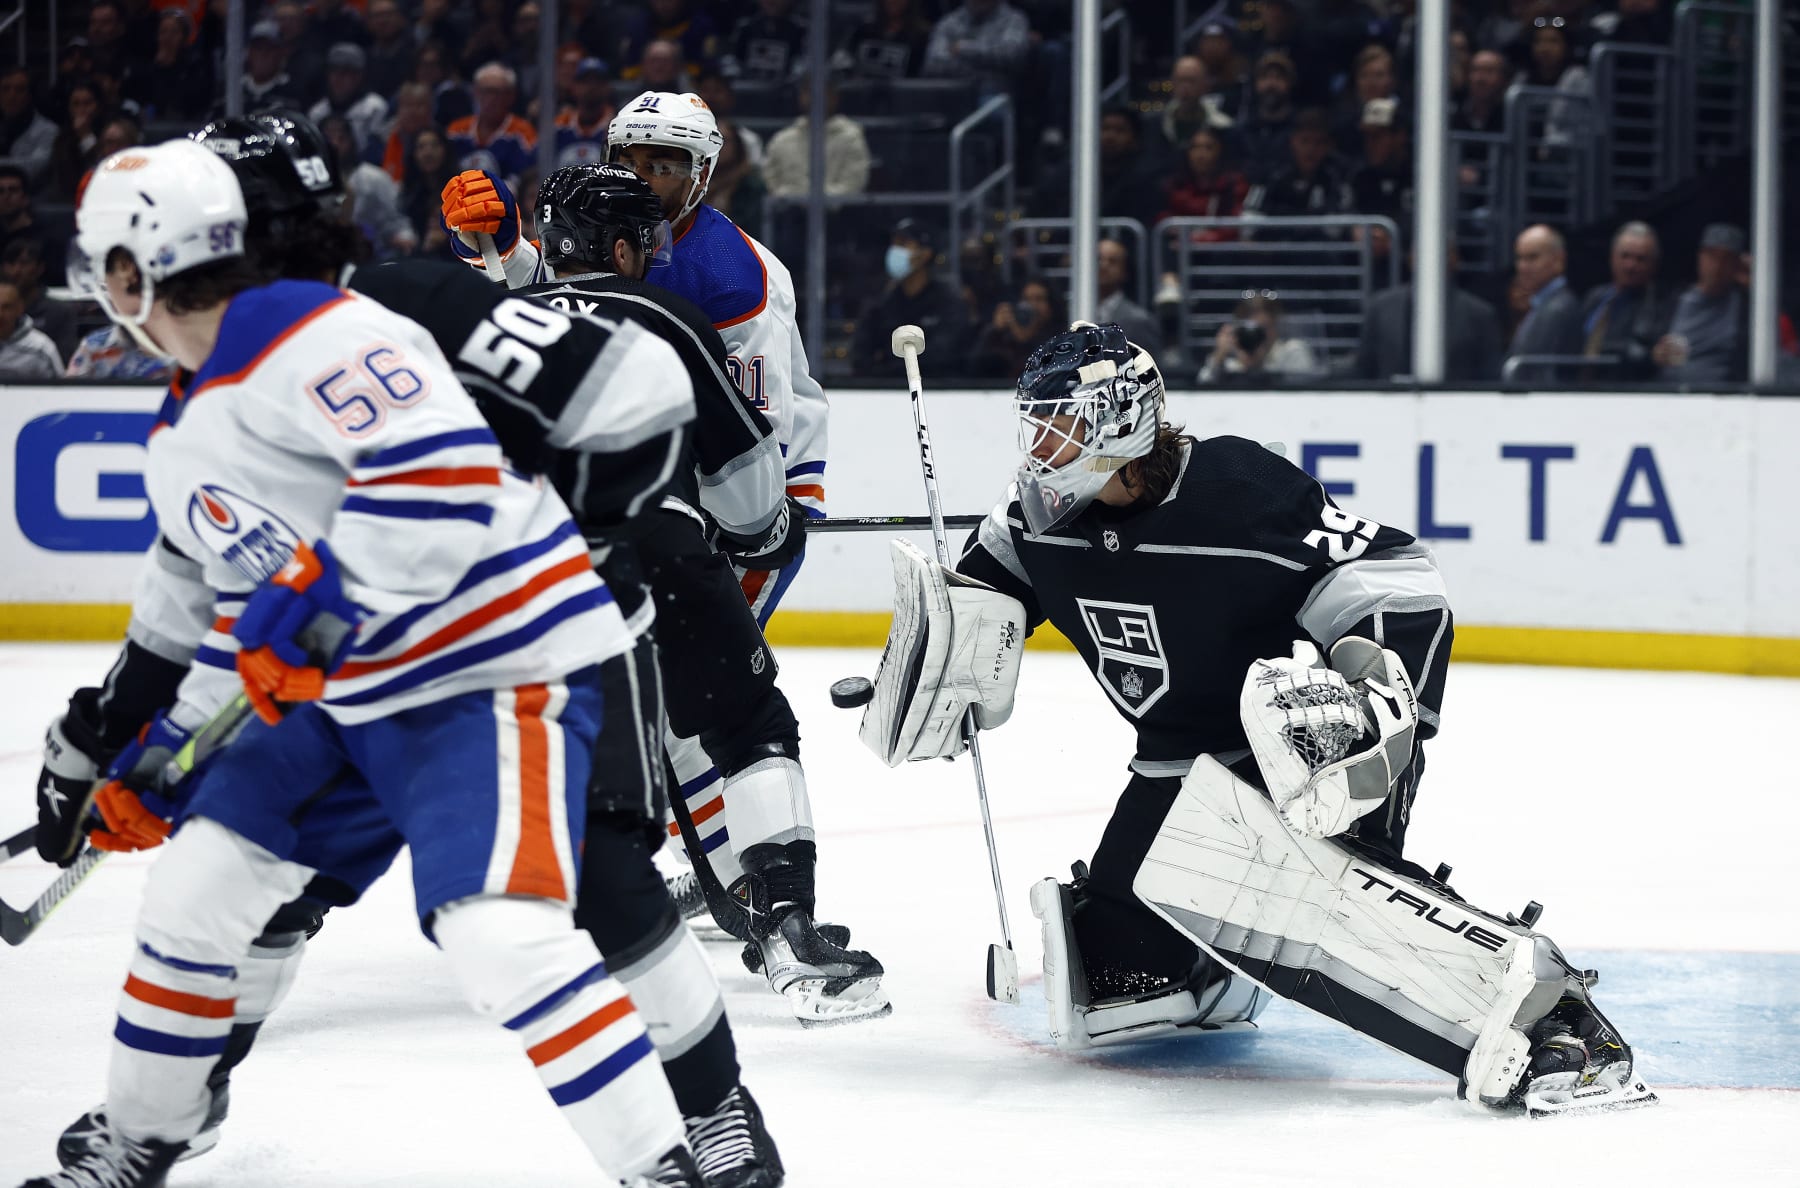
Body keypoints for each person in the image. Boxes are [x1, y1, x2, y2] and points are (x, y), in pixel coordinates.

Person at [49, 115, 787, 1188]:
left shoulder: (400, 305)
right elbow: (209, 587)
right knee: (240, 888)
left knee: (601, 885)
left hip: (516, 644)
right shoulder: (203, 395)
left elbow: (628, 402)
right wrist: (147, 740)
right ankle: (171, 1103)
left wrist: (571, 534)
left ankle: (711, 1113)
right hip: (351, 678)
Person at [856, 320, 1655, 1118]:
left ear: (1121, 421)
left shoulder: (1237, 492)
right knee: (1114, 975)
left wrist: (1372, 703)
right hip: (1177, 764)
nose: (1041, 446)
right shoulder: (1033, 520)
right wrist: (937, 662)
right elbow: (981, 602)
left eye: (1061, 424)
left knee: (1299, 900)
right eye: (1036, 423)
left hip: (1302, 754)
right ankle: (1218, 963)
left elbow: (1400, 580)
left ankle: (1560, 1023)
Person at [438, 93, 868, 1026]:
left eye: (665, 164)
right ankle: (758, 903)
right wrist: (506, 251)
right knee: (704, 712)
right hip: (688, 518)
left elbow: (755, 426)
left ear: (703, 173)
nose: (645, 178)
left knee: (672, 713)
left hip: (707, 518)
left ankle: (695, 882)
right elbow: (604, 323)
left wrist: (511, 263)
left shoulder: (730, 277)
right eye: (632, 160)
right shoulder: (655, 278)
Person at [1353, 241, 1504, 381]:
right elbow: (1363, 369)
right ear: (1411, 258)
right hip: (1388, 404)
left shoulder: (1480, 315)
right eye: (1423, 251)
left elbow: (1490, 375)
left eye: (1441, 252)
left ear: (1455, 260)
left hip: (1455, 406)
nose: (1430, 258)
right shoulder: (1380, 308)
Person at [850, 217, 970, 377]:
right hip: (885, 393)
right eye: (894, 243)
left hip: (939, 392)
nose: (894, 250)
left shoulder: (948, 303)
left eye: (903, 244)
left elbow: (945, 357)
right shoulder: (882, 303)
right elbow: (860, 356)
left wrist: (888, 365)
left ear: (925, 254)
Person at [1654, 222, 1750, 386]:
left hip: (1724, 399)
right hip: (1667, 396)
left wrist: (1753, 286)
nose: (1718, 266)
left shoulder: (1746, 308)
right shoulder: (1670, 300)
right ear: (1700, 257)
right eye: (1712, 256)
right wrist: (1653, 355)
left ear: (1736, 265)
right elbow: (1644, 346)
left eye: (1727, 259)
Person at [1242, 108, 1354, 240]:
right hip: (1274, 251)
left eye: (1318, 142)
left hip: (1318, 253)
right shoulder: (1271, 174)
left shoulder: (1337, 177)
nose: (1311, 149)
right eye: (1305, 141)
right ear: (1293, 141)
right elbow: (1249, 219)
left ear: (1327, 146)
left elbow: (1336, 229)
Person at [1578, 220, 1670, 380]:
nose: (1630, 265)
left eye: (1640, 259)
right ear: (1612, 257)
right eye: (1625, 256)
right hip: (1577, 387)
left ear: (1653, 264)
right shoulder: (1595, 296)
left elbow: (1648, 354)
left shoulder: (1660, 304)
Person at [761, 76, 870, 199]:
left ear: (834, 97)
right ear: (800, 96)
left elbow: (852, 185)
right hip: (788, 214)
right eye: (809, 91)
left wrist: (814, 200)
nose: (815, 97)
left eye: (823, 91)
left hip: (839, 215)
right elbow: (771, 181)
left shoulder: (851, 138)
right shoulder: (782, 140)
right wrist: (792, 199)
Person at [1506, 222, 1583, 383]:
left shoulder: (1559, 309)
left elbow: (1544, 377)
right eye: (1520, 258)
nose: (1522, 267)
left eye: (1532, 257)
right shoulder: (1541, 305)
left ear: (1558, 261)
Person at [447, 62, 537, 189]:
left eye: (496, 92)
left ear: (510, 96)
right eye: (484, 91)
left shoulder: (523, 132)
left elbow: (527, 180)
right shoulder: (456, 131)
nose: (490, 98)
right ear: (475, 93)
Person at [1200, 291, 1318, 382]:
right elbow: (1201, 392)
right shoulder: (1230, 365)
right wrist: (1218, 357)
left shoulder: (1293, 352)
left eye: (1262, 328)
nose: (1254, 335)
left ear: (1274, 326)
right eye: (1249, 329)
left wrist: (1260, 366)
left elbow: (1304, 395)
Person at [921, 0, 1030, 92]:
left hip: (992, 96)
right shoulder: (949, 22)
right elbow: (933, 63)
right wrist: (987, 69)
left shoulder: (1014, 20)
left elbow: (1010, 55)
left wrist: (962, 48)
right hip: (950, 94)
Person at [968, 275, 1062, 379]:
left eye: (1039, 299)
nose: (1032, 305)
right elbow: (973, 368)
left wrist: (1026, 338)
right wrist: (994, 330)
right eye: (1026, 299)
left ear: (1050, 305)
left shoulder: (1059, 338)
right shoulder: (1004, 336)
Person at [3, 238, 78, 363]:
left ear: (39, 268)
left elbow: (66, 363)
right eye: (11, 263)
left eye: (24, 263)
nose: (16, 271)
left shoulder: (59, 312)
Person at [309, 43, 391, 157]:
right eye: (334, 71)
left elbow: (378, 149)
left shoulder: (375, 107)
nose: (338, 78)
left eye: (345, 72)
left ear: (359, 76)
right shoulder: (318, 111)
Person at [1095, 236, 1161, 359]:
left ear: (1125, 271)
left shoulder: (1139, 320)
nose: (1103, 265)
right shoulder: (1068, 312)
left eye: (1113, 261)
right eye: (1098, 259)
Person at [834, 0, 933, 80]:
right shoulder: (864, 31)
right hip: (862, 97)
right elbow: (840, 62)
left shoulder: (922, 36)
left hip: (905, 100)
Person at [0, 66, 61, 184]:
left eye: (19, 90)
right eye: (5, 89)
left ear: (30, 95)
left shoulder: (48, 131)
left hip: (35, 198)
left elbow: (33, 168)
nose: (11, 96)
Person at [724, 0, 808, 84]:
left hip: (785, 88)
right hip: (749, 87)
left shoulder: (799, 30)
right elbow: (734, 61)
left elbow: (802, 63)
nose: (771, 2)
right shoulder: (746, 29)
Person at [554, 57, 616, 167]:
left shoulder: (618, 128)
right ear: (574, 87)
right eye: (585, 81)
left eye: (598, 81)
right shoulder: (558, 128)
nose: (591, 87)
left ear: (607, 87)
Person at [0, 280, 62, 379]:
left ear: (19, 309)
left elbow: (60, 391)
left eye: (7, 307)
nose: (0, 315)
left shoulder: (41, 347)